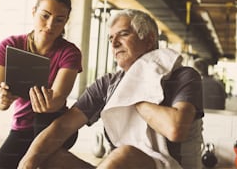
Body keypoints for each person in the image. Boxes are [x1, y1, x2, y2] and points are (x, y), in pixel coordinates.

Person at [18, 9, 204, 169]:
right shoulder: (108, 83)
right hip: (117, 164)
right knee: (49, 157)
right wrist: (27, 162)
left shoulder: (184, 76)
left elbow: (176, 129)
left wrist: (134, 90)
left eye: (123, 34)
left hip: (168, 165)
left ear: (148, 41)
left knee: (124, 154)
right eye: (110, 38)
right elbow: (63, 126)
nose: (114, 44)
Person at [0, 0, 82, 169]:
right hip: (22, 127)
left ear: (66, 22)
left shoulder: (70, 53)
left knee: (42, 120)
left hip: (56, 126)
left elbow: (58, 99)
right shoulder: (10, 45)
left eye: (59, 20)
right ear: (34, 11)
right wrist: (2, 99)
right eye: (45, 16)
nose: (50, 25)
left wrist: (48, 103)